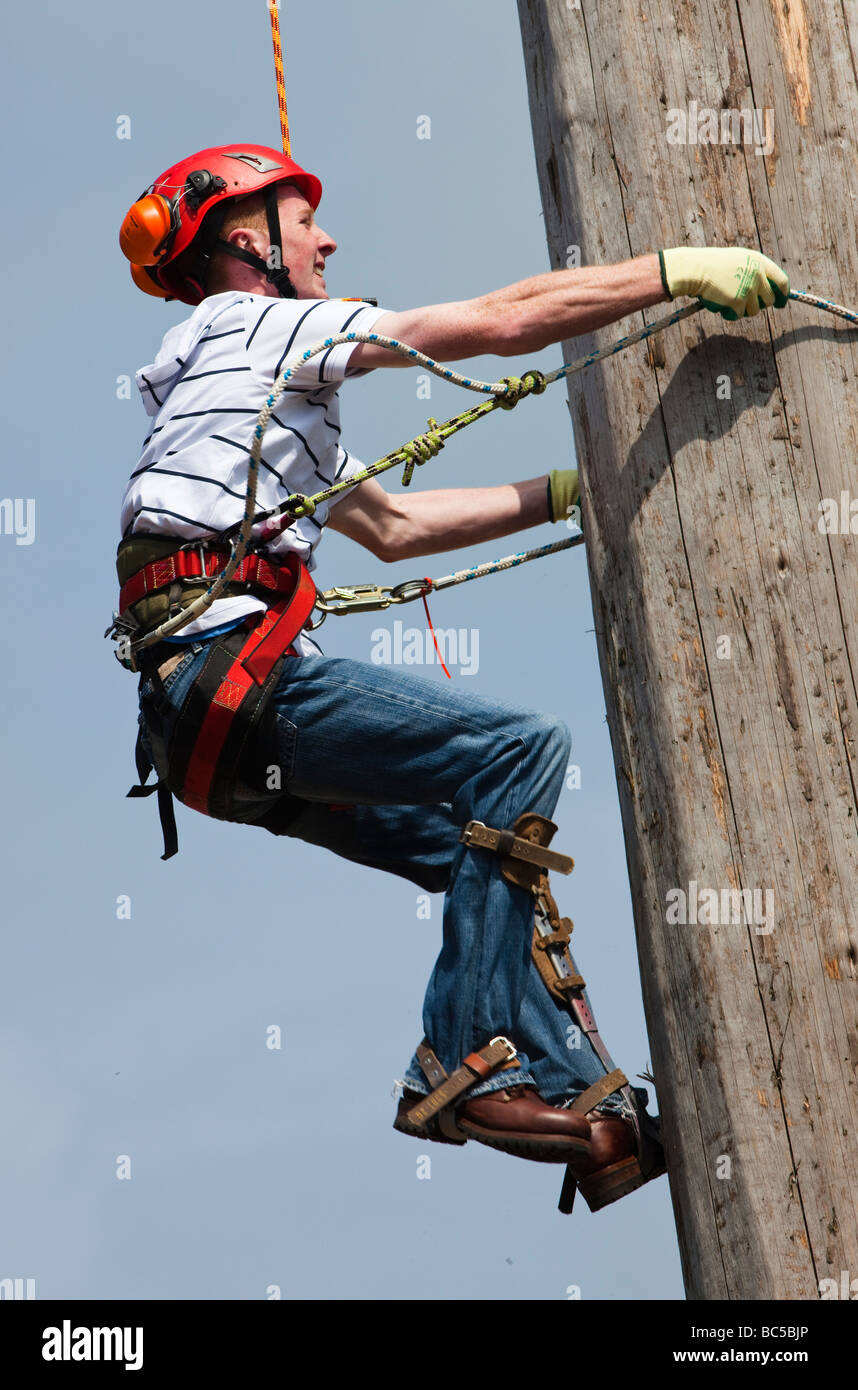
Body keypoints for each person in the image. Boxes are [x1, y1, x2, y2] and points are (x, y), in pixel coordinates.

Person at [115, 143, 789, 1208]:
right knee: (517, 753)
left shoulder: (229, 379)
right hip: (231, 677)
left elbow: (389, 526)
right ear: (245, 244)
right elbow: (497, 318)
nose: (327, 238)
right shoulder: (262, 325)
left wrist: (570, 489)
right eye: (301, 219)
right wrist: (670, 269)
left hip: (206, 735)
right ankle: (461, 1056)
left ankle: (589, 1105)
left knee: (468, 853)